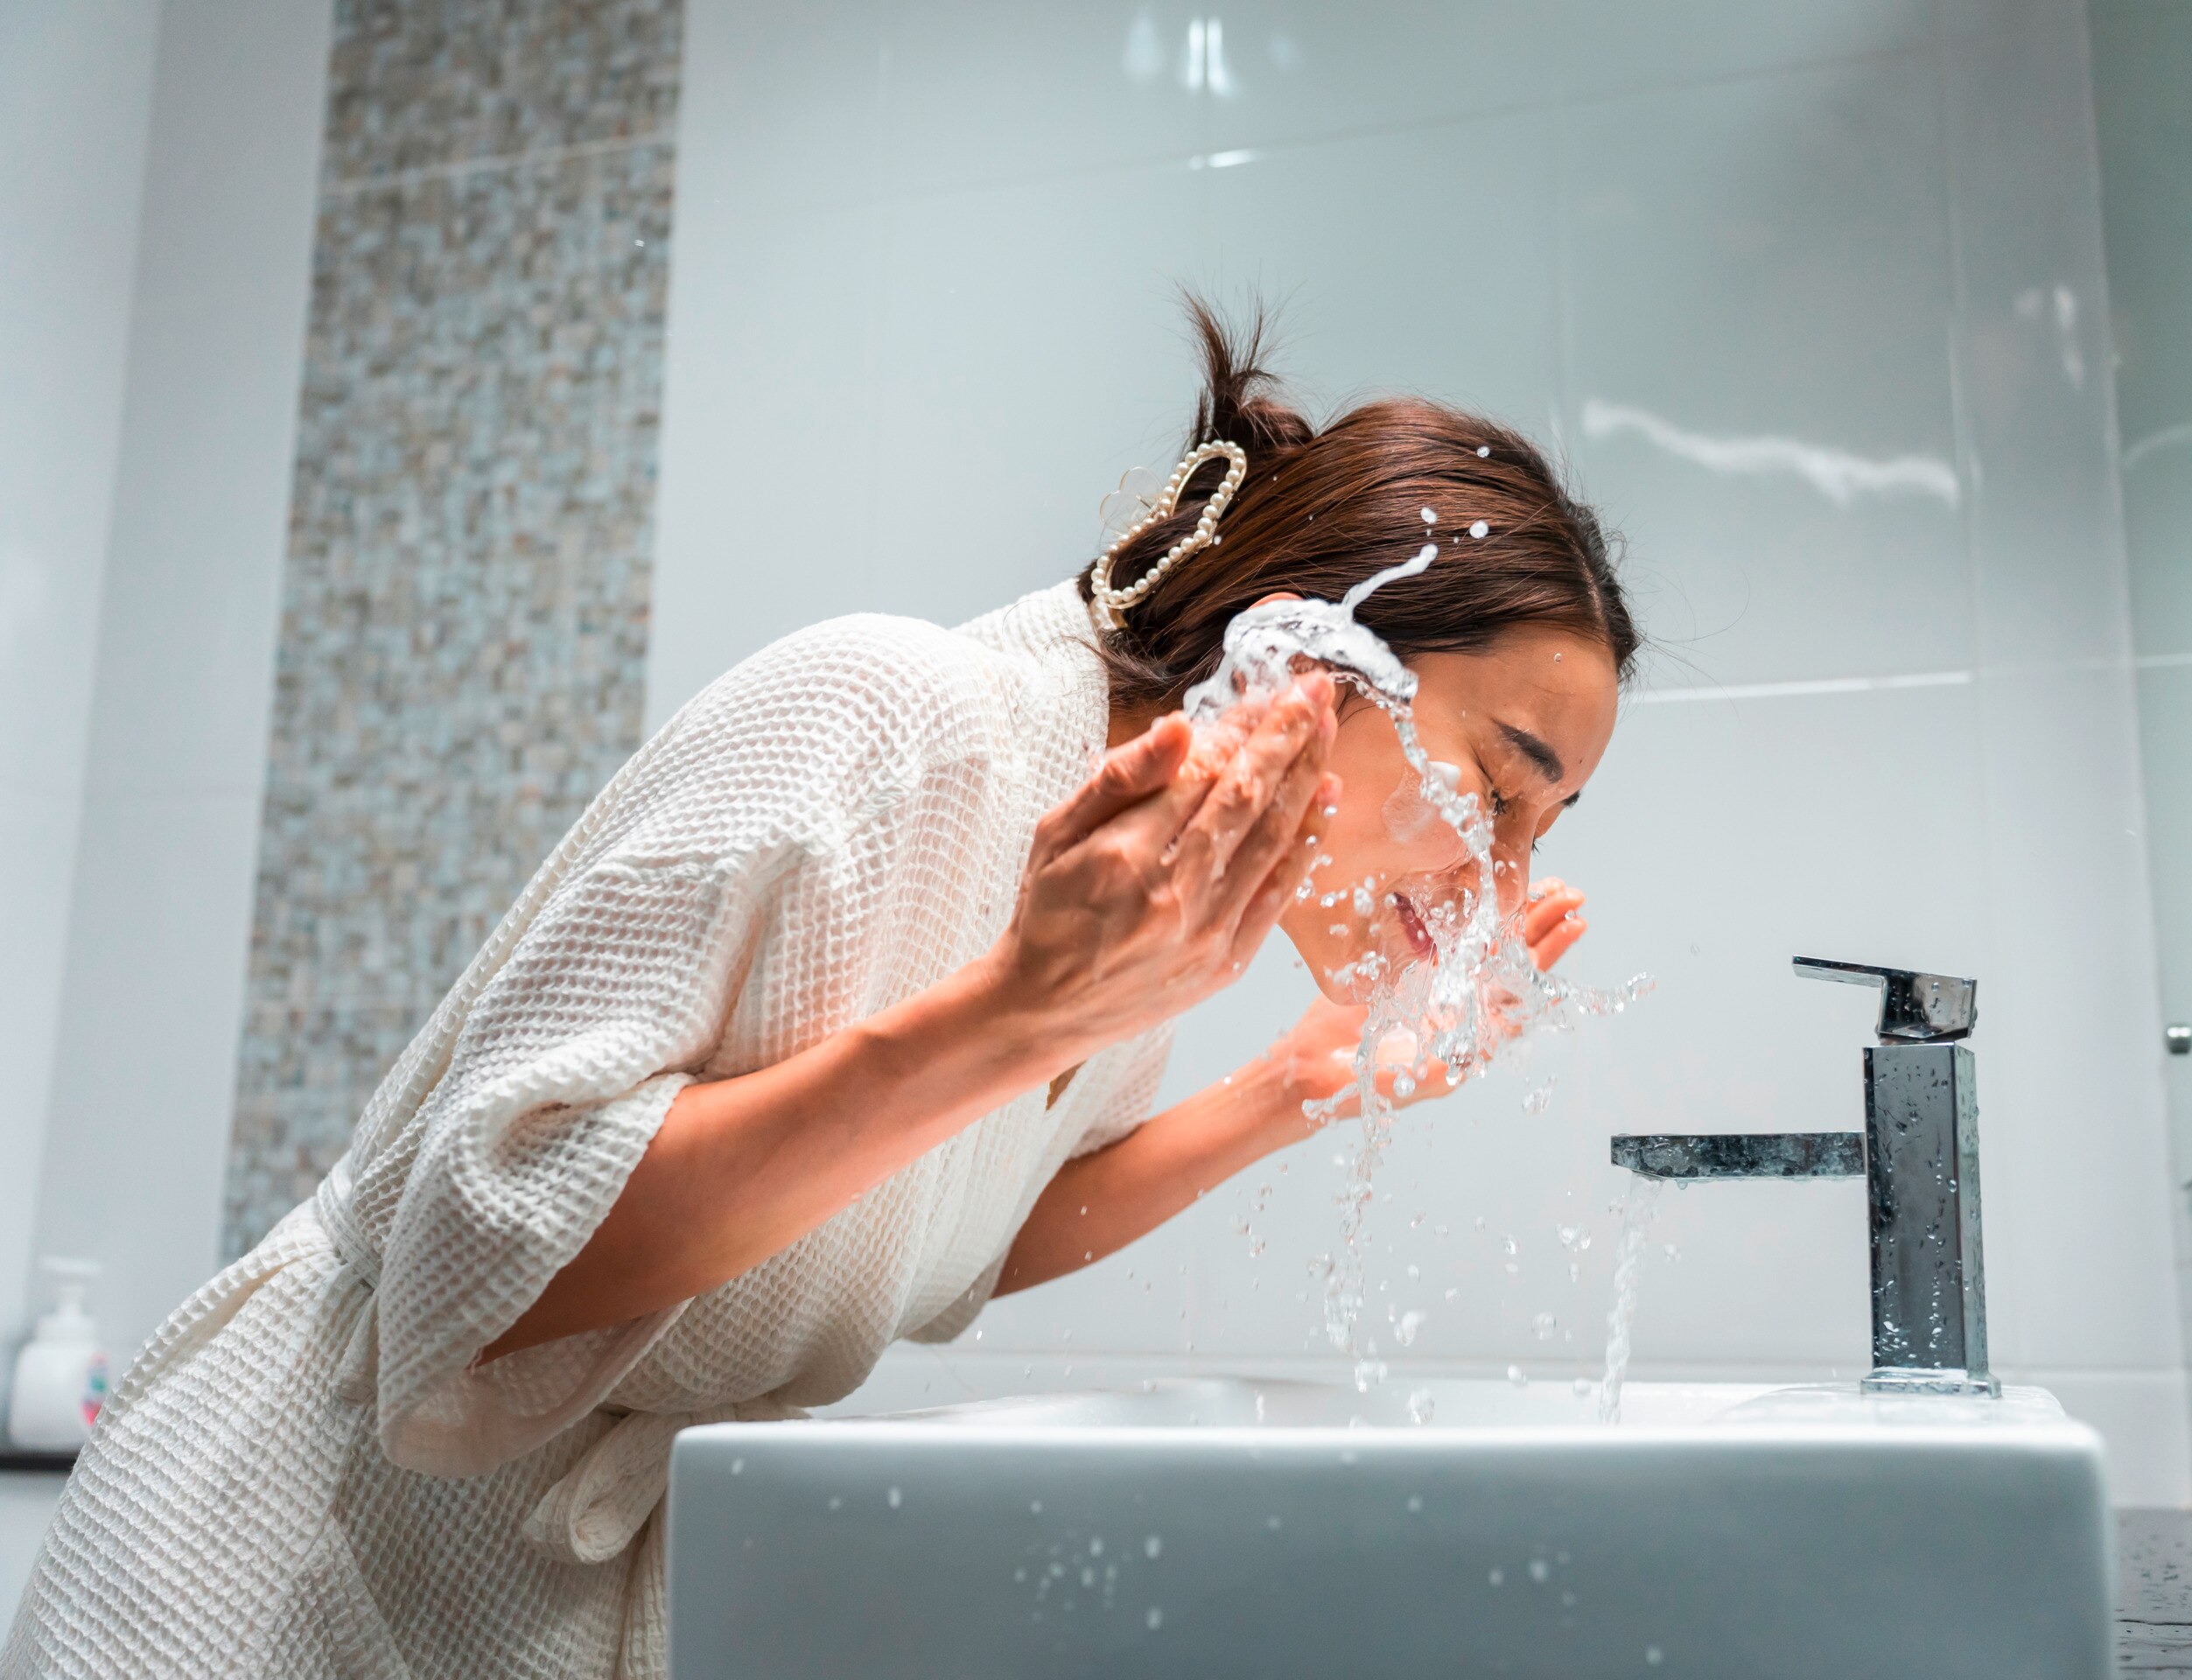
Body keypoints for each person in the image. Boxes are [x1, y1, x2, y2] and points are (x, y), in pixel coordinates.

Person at [3, 304, 1639, 1679]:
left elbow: (961, 1238)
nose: (1497, 882)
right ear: (1318, 643)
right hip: (269, 1570)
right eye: (1499, 786)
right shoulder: (890, 712)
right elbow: (481, 1248)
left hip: (532, 1608)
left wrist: (1299, 1083)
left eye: (1543, 831)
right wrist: (1016, 1013)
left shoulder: (1137, 908)